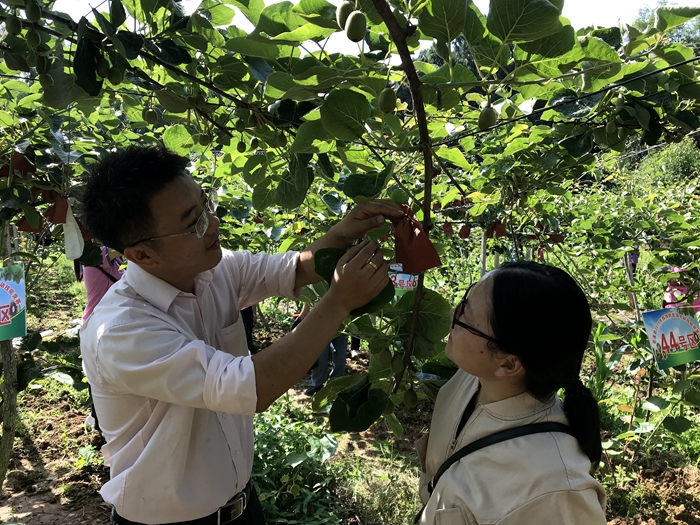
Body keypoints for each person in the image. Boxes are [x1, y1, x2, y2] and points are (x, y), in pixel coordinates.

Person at [77, 145, 402, 525]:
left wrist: (342, 233)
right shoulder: (121, 331)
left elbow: (294, 269)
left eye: (206, 206)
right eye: (194, 223)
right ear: (143, 256)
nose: (213, 224)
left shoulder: (215, 270)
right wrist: (337, 304)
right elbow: (251, 387)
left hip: (243, 506)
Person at [415, 261, 607, 525]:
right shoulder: (471, 378)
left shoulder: (555, 493)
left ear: (508, 365)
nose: (451, 314)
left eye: (465, 315)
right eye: (463, 301)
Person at [293, 301, 348, 396]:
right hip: (343, 311)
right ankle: (336, 383)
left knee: (320, 349)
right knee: (340, 350)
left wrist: (305, 311)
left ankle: (316, 384)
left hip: (322, 312)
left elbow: (313, 296)